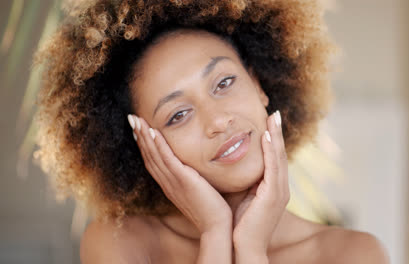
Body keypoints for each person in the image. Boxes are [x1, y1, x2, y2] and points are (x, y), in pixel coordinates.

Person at [33, 0, 389, 263]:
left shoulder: (353, 254)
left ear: (258, 83)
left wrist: (249, 248)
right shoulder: (121, 245)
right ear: (144, 147)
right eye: (178, 115)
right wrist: (215, 233)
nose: (217, 121)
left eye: (224, 83)